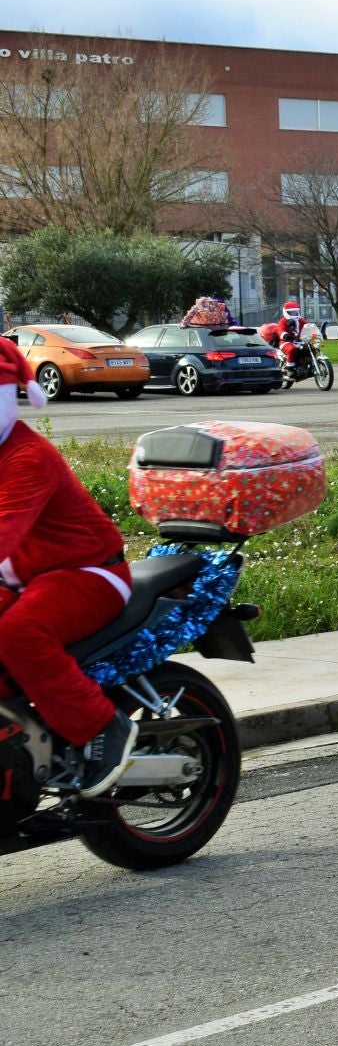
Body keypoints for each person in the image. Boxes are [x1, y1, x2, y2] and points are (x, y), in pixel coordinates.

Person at [0, 338, 138, 797]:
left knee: (17, 634)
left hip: (88, 574)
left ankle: (102, 728)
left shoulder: (27, 457)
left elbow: (4, 531)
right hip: (26, 577)